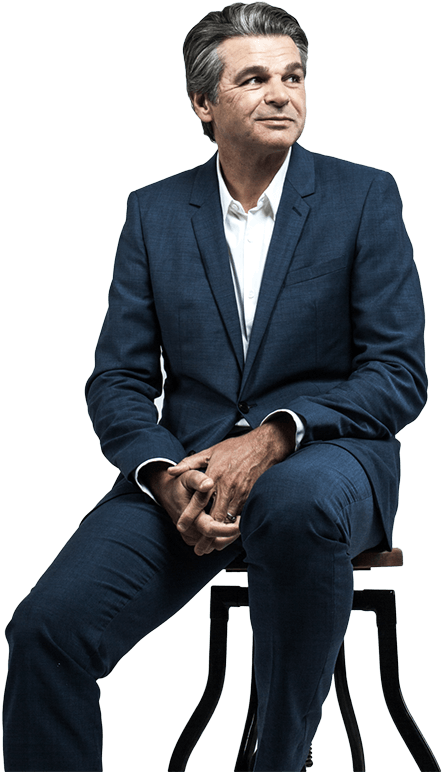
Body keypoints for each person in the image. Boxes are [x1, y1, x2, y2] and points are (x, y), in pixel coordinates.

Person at [3, 3, 427, 771]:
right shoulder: (155, 211)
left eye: (293, 77)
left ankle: (279, 762)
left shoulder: (364, 196)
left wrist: (273, 436)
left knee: (291, 502)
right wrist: (163, 473)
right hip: (190, 468)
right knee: (45, 631)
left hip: (331, 456)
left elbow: (398, 374)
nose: (282, 94)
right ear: (203, 103)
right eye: (255, 79)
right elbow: (118, 378)